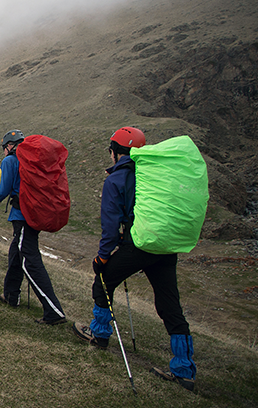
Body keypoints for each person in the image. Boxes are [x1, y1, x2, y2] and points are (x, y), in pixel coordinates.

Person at [72, 127, 197, 392]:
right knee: (169, 303)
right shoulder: (152, 175)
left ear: (115, 152)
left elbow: (110, 225)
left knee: (103, 281)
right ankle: (184, 368)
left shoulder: (116, 180)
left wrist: (102, 257)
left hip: (138, 245)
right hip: (164, 247)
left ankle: (100, 334)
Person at [0, 130, 67, 325]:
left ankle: (54, 311)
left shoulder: (11, 160)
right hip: (34, 212)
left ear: (8, 146)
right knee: (15, 252)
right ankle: (11, 295)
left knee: (29, 260)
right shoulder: (32, 158)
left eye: (4, 148)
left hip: (22, 215)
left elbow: (3, 190)